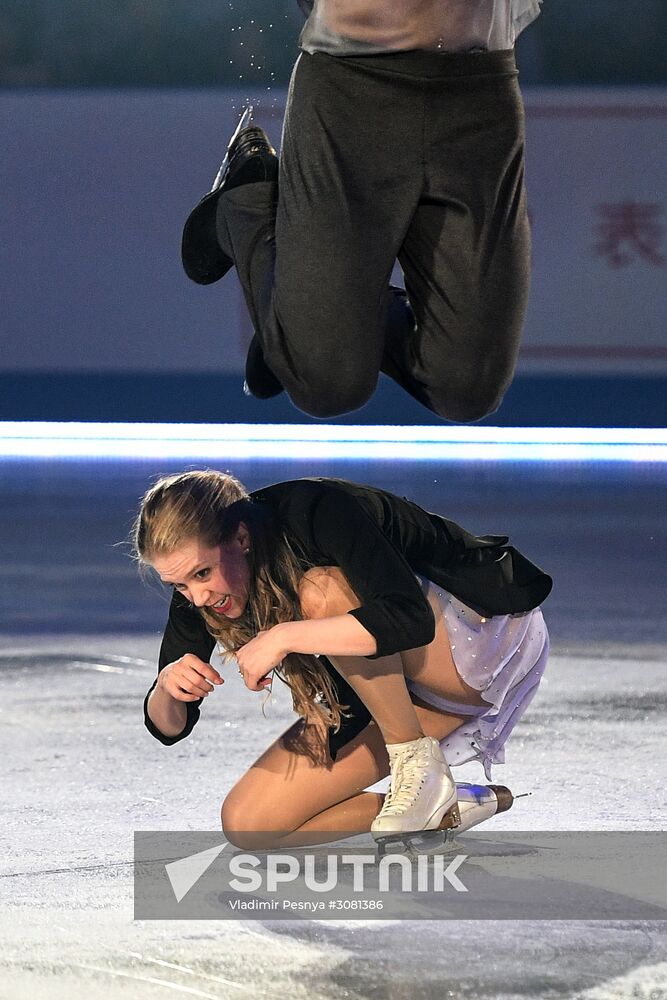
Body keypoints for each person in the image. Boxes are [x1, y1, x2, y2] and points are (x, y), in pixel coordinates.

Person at [137, 471, 551, 849]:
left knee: (322, 591)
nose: (197, 597)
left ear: (241, 539)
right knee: (249, 823)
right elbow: (169, 728)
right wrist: (167, 687)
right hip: (396, 687)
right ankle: (446, 807)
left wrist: (283, 636)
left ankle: (415, 764)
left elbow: (408, 620)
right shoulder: (195, 587)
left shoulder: (316, 510)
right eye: (178, 584)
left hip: (479, 639)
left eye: (203, 574)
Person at [181, 1, 543, 419]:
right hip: (352, 84)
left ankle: (308, 311)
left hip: (480, 93)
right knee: (327, 385)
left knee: (466, 386)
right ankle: (249, 198)